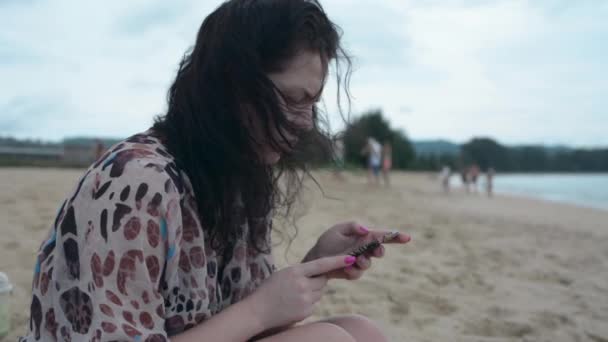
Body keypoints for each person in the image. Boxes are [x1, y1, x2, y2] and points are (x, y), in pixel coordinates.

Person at [20, 1, 412, 341]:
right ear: (231, 88)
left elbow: (244, 321)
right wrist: (260, 309)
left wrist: (316, 265)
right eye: (294, 100)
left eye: (312, 103)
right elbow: (253, 315)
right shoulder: (135, 183)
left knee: (362, 332)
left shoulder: (236, 176)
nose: (307, 123)